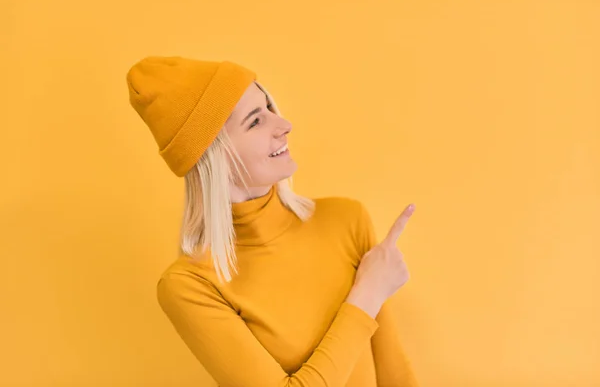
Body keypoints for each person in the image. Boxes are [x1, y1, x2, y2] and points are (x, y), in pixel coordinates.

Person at [126, 56, 419, 387]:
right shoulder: (191, 285)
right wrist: (368, 294)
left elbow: (394, 372)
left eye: (269, 108)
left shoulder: (346, 220)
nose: (284, 125)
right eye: (255, 121)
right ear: (211, 153)